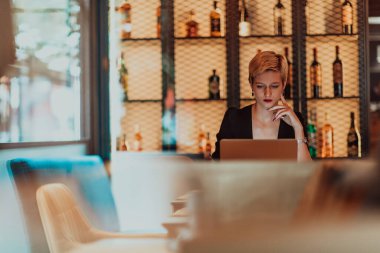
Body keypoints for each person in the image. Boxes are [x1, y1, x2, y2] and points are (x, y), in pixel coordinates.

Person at [212, 51, 311, 162]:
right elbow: (218, 165)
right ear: (251, 84)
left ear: (283, 85)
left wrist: (298, 129)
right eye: (260, 86)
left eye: (274, 86)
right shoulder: (233, 119)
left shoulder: (295, 120)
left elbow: (307, 172)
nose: (267, 93)